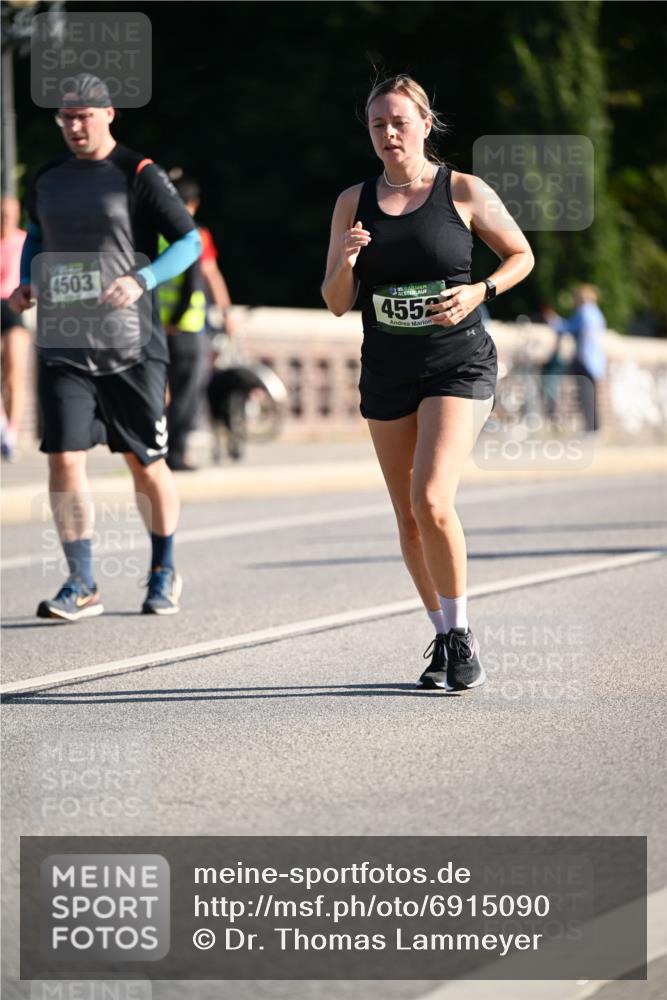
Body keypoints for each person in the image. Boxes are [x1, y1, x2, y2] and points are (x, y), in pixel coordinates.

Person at [321, 74, 534, 691]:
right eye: (377, 124)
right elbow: (336, 301)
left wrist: (480, 291)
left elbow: (521, 255)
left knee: (432, 498)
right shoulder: (352, 202)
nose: (389, 133)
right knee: (408, 518)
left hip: (457, 363)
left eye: (399, 122)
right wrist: (348, 261)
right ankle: (441, 634)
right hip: (388, 369)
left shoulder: (462, 189)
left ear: (425, 124)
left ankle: (462, 635)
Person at [8, 73, 201, 621]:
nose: (74, 126)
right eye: (65, 117)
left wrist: (143, 279)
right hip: (64, 344)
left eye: (83, 116)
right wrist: (28, 281)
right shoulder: (48, 177)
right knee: (64, 458)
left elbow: (188, 240)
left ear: (109, 112)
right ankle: (82, 581)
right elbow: (36, 237)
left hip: (131, 346)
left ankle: (163, 568)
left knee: (144, 464)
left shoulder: (138, 173)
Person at [158, 175, 235, 471]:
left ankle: (154, 449)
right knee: (186, 392)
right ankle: (175, 453)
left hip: (153, 325)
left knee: (158, 391)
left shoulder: (153, 231)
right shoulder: (196, 234)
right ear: (194, 203)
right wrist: (225, 312)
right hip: (186, 326)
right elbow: (206, 274)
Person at [543, 284, 606, 434]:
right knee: (592, 396)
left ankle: (590, 429)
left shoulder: (584, 312)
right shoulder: (597, 313)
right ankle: (595, 428)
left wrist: (553, 320)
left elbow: (566, 328)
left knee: (585, 396)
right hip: (596, 361)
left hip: (585, 360)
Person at [1, 195, 30, 461]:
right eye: (2, 213)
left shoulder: (24, 240)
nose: (6, 217)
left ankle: (12, 432)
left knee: (14, 374)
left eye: (10, 213)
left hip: (13, 309)